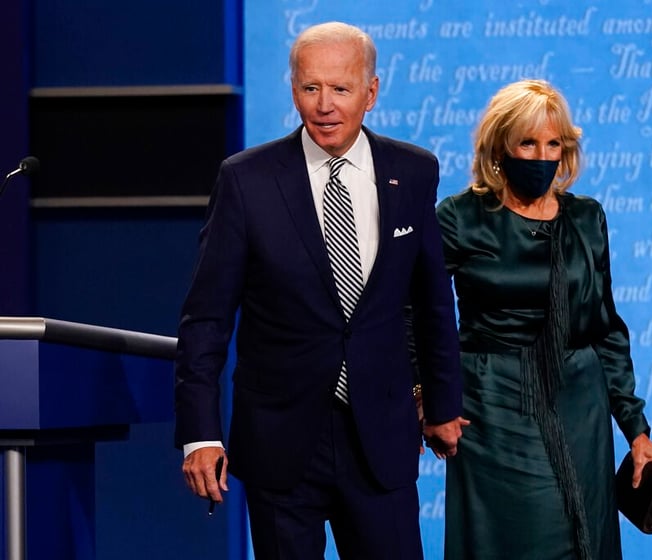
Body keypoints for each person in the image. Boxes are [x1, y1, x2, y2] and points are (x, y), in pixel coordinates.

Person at [174, 21, 467, 560]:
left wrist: (444, 402)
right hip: (281, 441)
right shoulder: (246, 179)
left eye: (341, 89)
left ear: (371, 92)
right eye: (311, 88)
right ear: (293, 91)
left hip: (380, 437)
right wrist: (200, 433)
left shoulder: (414, 171)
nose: (325, 105)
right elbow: (206, 320)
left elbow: (431, 302)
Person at [436, 79, 652, 560]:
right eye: (528, 142)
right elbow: (416, 315)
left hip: (580, 407)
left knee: (584, 539)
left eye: (553, 144)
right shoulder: (460, 217)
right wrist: (427, 401)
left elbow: (604, 327)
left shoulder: (587, 218)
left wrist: (637, 431)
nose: (542, 156)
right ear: (500, 145)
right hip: (494, 408)